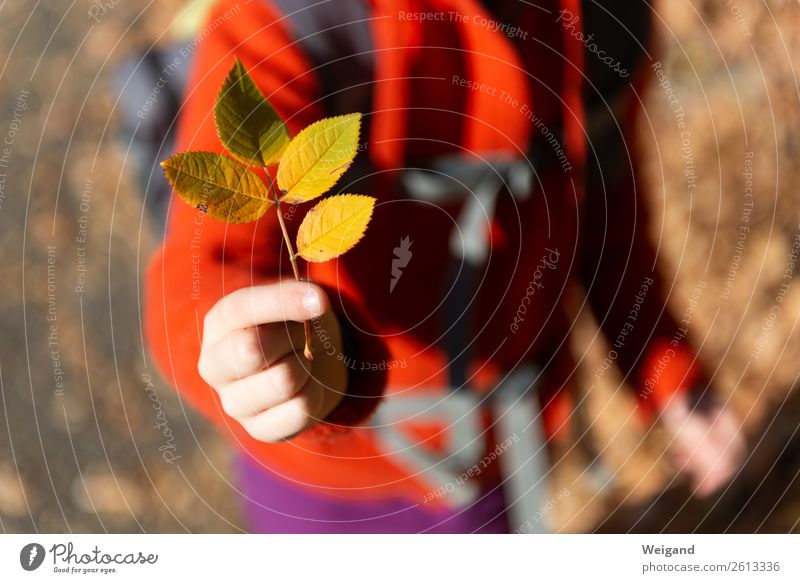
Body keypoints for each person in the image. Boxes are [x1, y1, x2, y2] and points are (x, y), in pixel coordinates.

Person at [145, 0, 745, 533]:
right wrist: (238, 351)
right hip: (321, 472)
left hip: (495, 447)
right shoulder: (295, 16)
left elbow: (604, 209)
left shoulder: (609, 21)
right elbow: (202, 264)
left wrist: (665, 369)